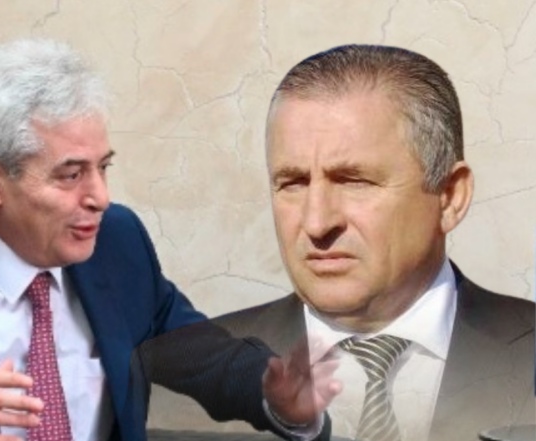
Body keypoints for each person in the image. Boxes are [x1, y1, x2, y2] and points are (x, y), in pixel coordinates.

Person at [0, 39, 341, 441]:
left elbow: (200, 355)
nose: (100, 197)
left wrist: (275, 393)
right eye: (71, 174)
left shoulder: (116, 241)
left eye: (103, 167)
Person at [209, 45, 535, 441]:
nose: (317, 222)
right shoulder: (169, 384)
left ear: (450, 196)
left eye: (354, 181)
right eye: (293, 183)